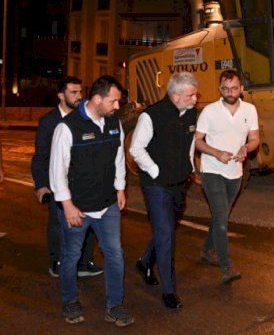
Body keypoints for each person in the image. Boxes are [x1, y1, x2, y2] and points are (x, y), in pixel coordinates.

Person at [49, 75, 133, 327]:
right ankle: (70, 301)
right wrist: (67, 204)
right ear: (97, 99)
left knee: (115, 255)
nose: (117, 106)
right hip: (78, 208)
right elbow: (57, 170)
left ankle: (115, 306)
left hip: (107, 205)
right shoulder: (68, 127)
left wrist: (120, 188)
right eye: (114, 101)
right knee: (71, 255)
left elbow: (119, 157)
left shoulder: (114, 123)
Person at [129, 72, 198, 310]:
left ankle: (145, 261)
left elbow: (189, 144)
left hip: (180, 183)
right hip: (156, 185)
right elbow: (136, 149)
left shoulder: (191, 113)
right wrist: (155, 170)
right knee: (167, 236)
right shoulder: (151, 116)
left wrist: (189, 167)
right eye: (191, 94)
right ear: (176, 96)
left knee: (167, 228)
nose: (195, 98)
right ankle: (168, 291)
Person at [32, 76, 103, 278]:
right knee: (58, 223)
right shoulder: (49, 121)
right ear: (61, 95)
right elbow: (41, 156)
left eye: (80, 92)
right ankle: (57, 262)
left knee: (87, 219)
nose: (79, 96)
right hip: (57, 182)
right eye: (73, 92)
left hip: (83, 183)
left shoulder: (86, 118)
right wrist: (41, 185)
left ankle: (84, 262)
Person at [195, 69, 259, 284]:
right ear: (220, 89)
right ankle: (226, 266)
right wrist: (216, 153)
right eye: (225, 88)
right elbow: (198, 141)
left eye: (234, 88)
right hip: (212, 169)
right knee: (222, 218)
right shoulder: (209, 111)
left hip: (235, 173)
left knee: (220, 215)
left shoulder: (250, 110)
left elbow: (255, 138)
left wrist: (246, 149)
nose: (229, 92)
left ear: (241, 89)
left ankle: (206, 249)